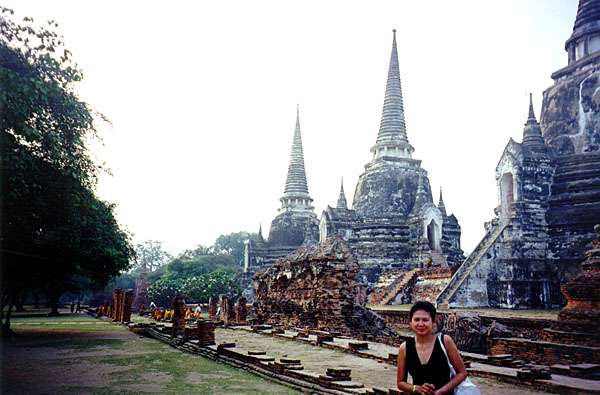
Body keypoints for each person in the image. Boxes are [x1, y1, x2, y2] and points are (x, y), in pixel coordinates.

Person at [397, 301, 467, 395]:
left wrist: (441, 391)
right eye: (417, 320)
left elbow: (462, 373)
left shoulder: (445, 342)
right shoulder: (405, 348)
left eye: (425, 320)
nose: (421, 324)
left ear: (433, 321)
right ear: (410, 321)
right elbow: (400, 383)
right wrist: (416, 388)